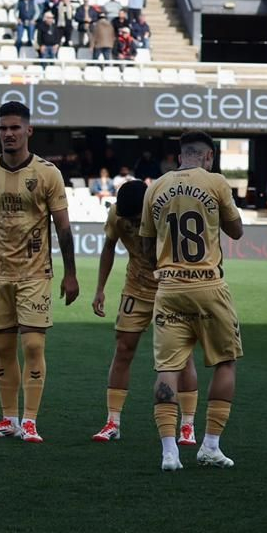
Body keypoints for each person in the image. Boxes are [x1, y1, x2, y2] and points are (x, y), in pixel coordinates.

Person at [0, 100, 78, 444]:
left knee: (34, 345)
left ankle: (30, 421)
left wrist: (70, 274)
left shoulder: (48, 174)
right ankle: (9, 419)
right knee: (4, 349)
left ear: (28, 130)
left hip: (35, 273)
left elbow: (63, 227)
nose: (8, 134)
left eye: (14, 128)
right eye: (2, 128)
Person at [140, 132, 245, 471]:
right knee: (225, 362)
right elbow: (236, 231)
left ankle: (169, 452)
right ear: (208, 156)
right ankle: (210, 446)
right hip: (209, 287)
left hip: (169, 289)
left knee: (167, 369)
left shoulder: (155, 187)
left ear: (180, 155)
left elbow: (146, 247)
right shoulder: (215, 183)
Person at [90, 178, 200, 446]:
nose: (133, 223)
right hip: (136, 288)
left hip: (171, 288)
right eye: (129, 219)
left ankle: (187, 425)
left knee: (182, 357)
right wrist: (100, 288)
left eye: (137, 218)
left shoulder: (169, 212)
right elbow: (108, 247)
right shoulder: (117, 215)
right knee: (123, 349)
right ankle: (113, 422)